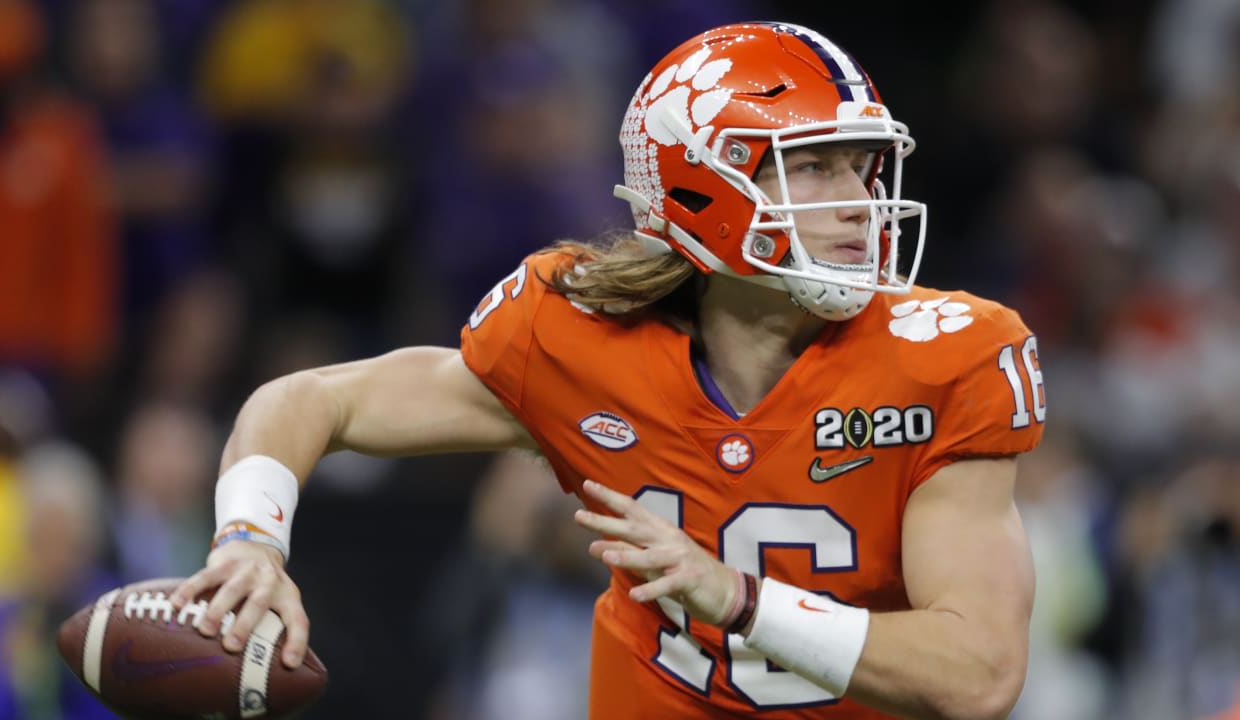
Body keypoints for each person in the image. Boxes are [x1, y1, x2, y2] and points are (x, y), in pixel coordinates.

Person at [172, 21, 1047, 719]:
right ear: (701, 186)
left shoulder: (947, 356)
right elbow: (309, 399)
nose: (859, 201)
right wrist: (250, 541)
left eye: (861, 165)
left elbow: (977, 676)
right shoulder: (576, 337)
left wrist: (738, 598)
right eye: (813, 167)